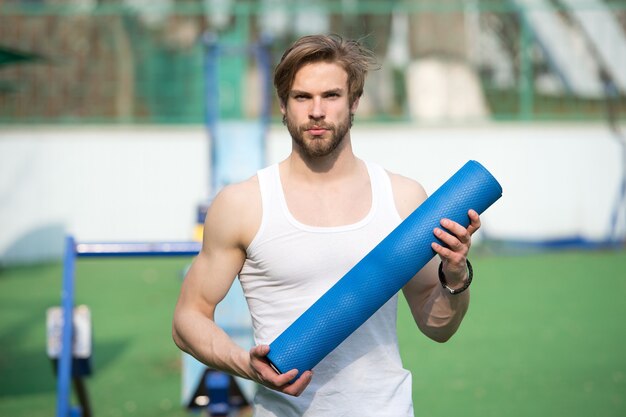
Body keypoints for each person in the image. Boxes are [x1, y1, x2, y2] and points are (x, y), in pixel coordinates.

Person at [172, 34, 481, 416]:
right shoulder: (243, 204)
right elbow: (188, 318)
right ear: (283, 106)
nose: (316, 111)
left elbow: (438, 327)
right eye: (302, 97)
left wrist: (455, 277)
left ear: (354, 102)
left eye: (331, 96)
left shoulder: (402, 198)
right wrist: (246, 364)